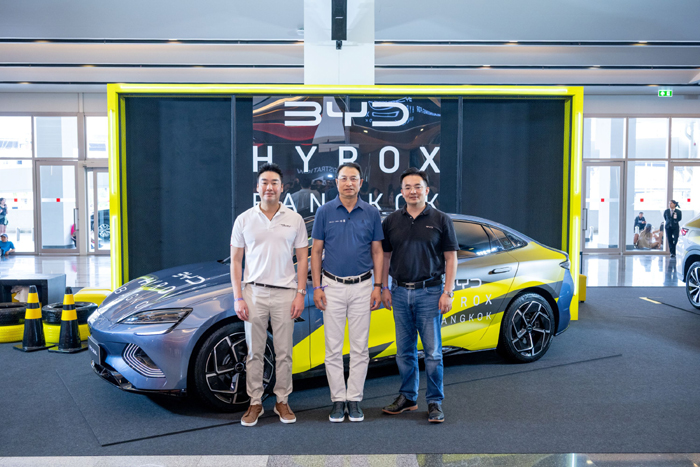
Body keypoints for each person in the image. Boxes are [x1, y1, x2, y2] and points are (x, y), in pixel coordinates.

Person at [230, 163, 309, 427]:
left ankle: (282, 401)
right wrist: (238, 297)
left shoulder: (294, 219)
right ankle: (255, 403)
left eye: (274, 182)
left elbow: (303, 259)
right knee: (254, 352)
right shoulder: (244, 219)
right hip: (254, 293)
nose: (269, 187)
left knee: (284, 352)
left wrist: (300, 293)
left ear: (282, 187)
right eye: (264, 182)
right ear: (257, 187)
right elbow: (236, 261)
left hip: (286, 294)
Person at [379, 167, 458, 423]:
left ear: (427, 189)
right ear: (401, 192)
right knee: (404, 352)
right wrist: (384, 287)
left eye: (417, 187)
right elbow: (385, 256)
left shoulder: (441, 219)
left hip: (430, 292)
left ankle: (434, 401)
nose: (413, 191)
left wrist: (448, 292)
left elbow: (451, 258)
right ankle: (408, 398)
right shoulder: (391, 221)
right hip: (400, 292)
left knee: (433, 353)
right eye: (407, 187)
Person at [311, 162, 384, 423]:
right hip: (332, 286)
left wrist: (378, 287)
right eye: (344, 178)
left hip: (363, 286)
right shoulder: (324, 212)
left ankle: (354, 399)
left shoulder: (371, 213)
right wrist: (317, 287)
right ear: (337, 182)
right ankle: (337, 400)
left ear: (361, 182)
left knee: (360, 348)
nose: (349, 183)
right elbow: (316, 251)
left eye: (354, 178)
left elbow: (377, 251)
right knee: (332, 348)